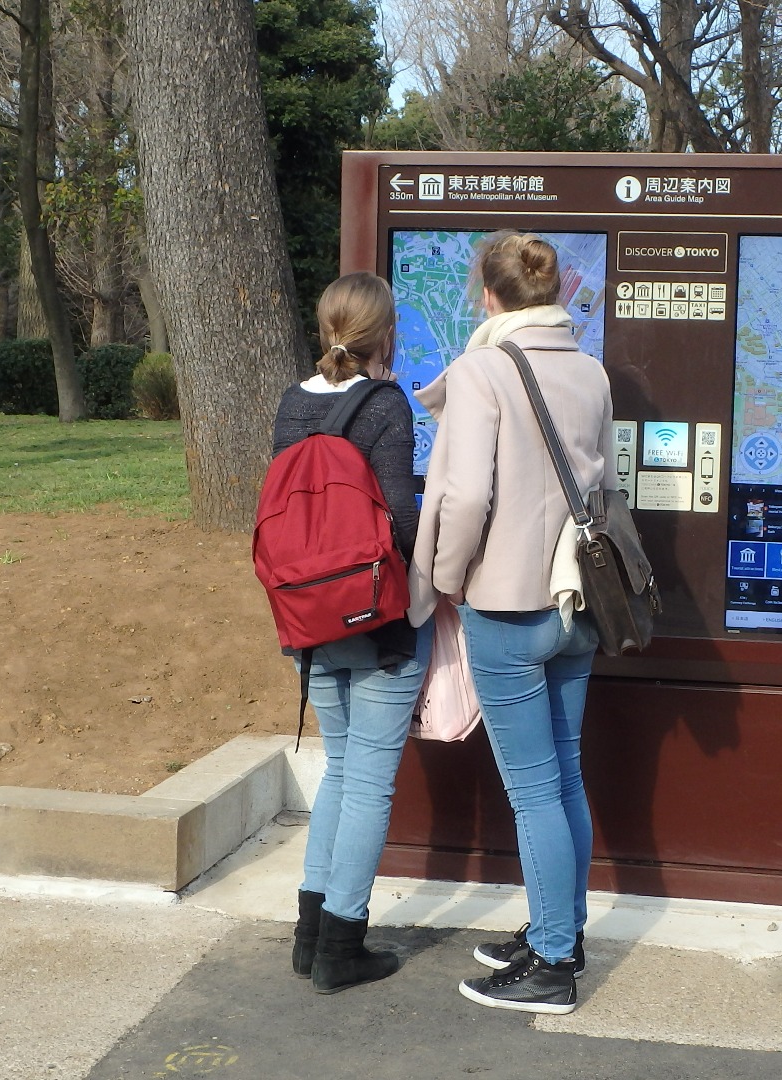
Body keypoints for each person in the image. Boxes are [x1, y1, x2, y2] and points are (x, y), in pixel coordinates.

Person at [411, 232, 615, 1015]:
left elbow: (464, 496)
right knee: (564, 777)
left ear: (489, 297)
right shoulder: (591, 371)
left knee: (533, 793)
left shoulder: (482, 370)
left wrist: (446, 578)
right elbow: (605, 486)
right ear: (552, 292)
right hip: (579, 601)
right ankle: (560, 931)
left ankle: (554, 965)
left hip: (505, 605)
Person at [272, 272, 430, 995]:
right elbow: (399, 519)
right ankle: (341, 946)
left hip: (308, 620)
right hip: (376, 623)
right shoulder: (386, 404)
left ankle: (309, 936)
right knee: (368, 783)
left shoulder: (292, 401)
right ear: (385, 334)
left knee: (339, 771)